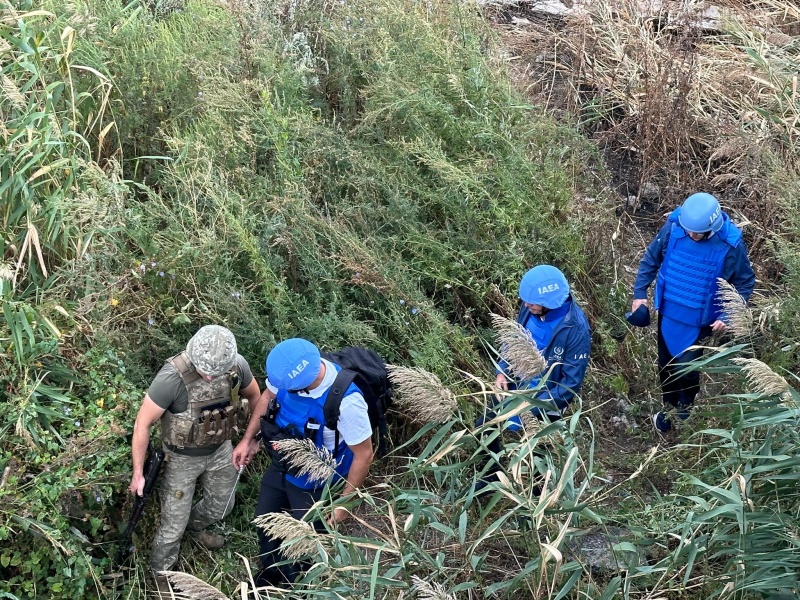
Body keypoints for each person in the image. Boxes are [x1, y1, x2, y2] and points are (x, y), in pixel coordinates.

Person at [128, 325, 261, 593]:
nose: (211, 377)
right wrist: (138, 473)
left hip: (222, 449)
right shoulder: (172, 378)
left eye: (217, 372)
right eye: (205, 371)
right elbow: (142, 424)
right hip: (179, 460)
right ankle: (162, 577)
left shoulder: (237, 366)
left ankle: (195, 528)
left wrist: (250, 440)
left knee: (223, 506)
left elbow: (256, 397)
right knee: (171, 527)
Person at [232, 338, 374, 587]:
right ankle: (272, 575)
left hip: (318, 480)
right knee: (264, 520)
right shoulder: (288, 376)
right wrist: (249, 439)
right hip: (283, 463)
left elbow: (364, 455)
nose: (279, 389)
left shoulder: (347, 403)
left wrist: (344, 503)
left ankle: (302, 586)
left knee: (308, 541)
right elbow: (267, 396)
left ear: (301, 385)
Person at [631, 192, 755, 432]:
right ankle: (668, 406)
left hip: (700, 321)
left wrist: (728, 316)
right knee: (665, 366)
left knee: (686, 367)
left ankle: (687, 402)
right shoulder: (675, 226)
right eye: (688, 230)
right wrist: (639, 294)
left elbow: (745, 282)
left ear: (711, 228)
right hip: (669, 312)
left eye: (696, 233)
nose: (690, 235)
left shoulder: (731, 244)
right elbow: (651, 259)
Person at [495, 264, 592, 422]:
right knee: (485, 427)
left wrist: (532, 404)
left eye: (531, 302)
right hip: (516, 385)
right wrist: (501, 371)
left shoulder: (576, 329)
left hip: (544, 403)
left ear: (549, 302)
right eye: (526, 301)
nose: (526, 305)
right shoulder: (531, 307)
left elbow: (570, 383)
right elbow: (514, 339)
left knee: (529, 445)